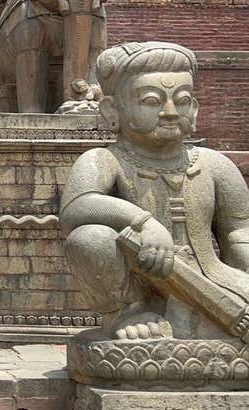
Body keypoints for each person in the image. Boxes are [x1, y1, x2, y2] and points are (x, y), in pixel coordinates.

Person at [60, 41, 249, 341]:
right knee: (89, 238)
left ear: (195, 109)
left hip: (209, 280)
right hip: (141, 280)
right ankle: (127, 314)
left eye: (183, 100)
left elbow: (238, 233)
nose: (171, 112)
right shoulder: (105, 160)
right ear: (112, 110)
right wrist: (142, 221)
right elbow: (76, 207)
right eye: (151, 101)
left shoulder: (214, 165)